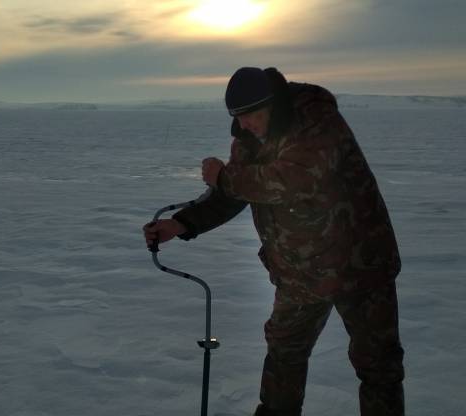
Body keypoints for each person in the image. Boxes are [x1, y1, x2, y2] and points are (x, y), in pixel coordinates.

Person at [143, 67, 404, 416]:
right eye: (238, 118)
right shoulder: (248, 142)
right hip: (300, 275)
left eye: (251, 115)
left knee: (377, 366)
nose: (245, 124)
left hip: (359, 267)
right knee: (284, 355)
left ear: (273, 105)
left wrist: (225, 176)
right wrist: (181, 223)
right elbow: (233, 193)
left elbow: (295, 181)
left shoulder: (317, 121)